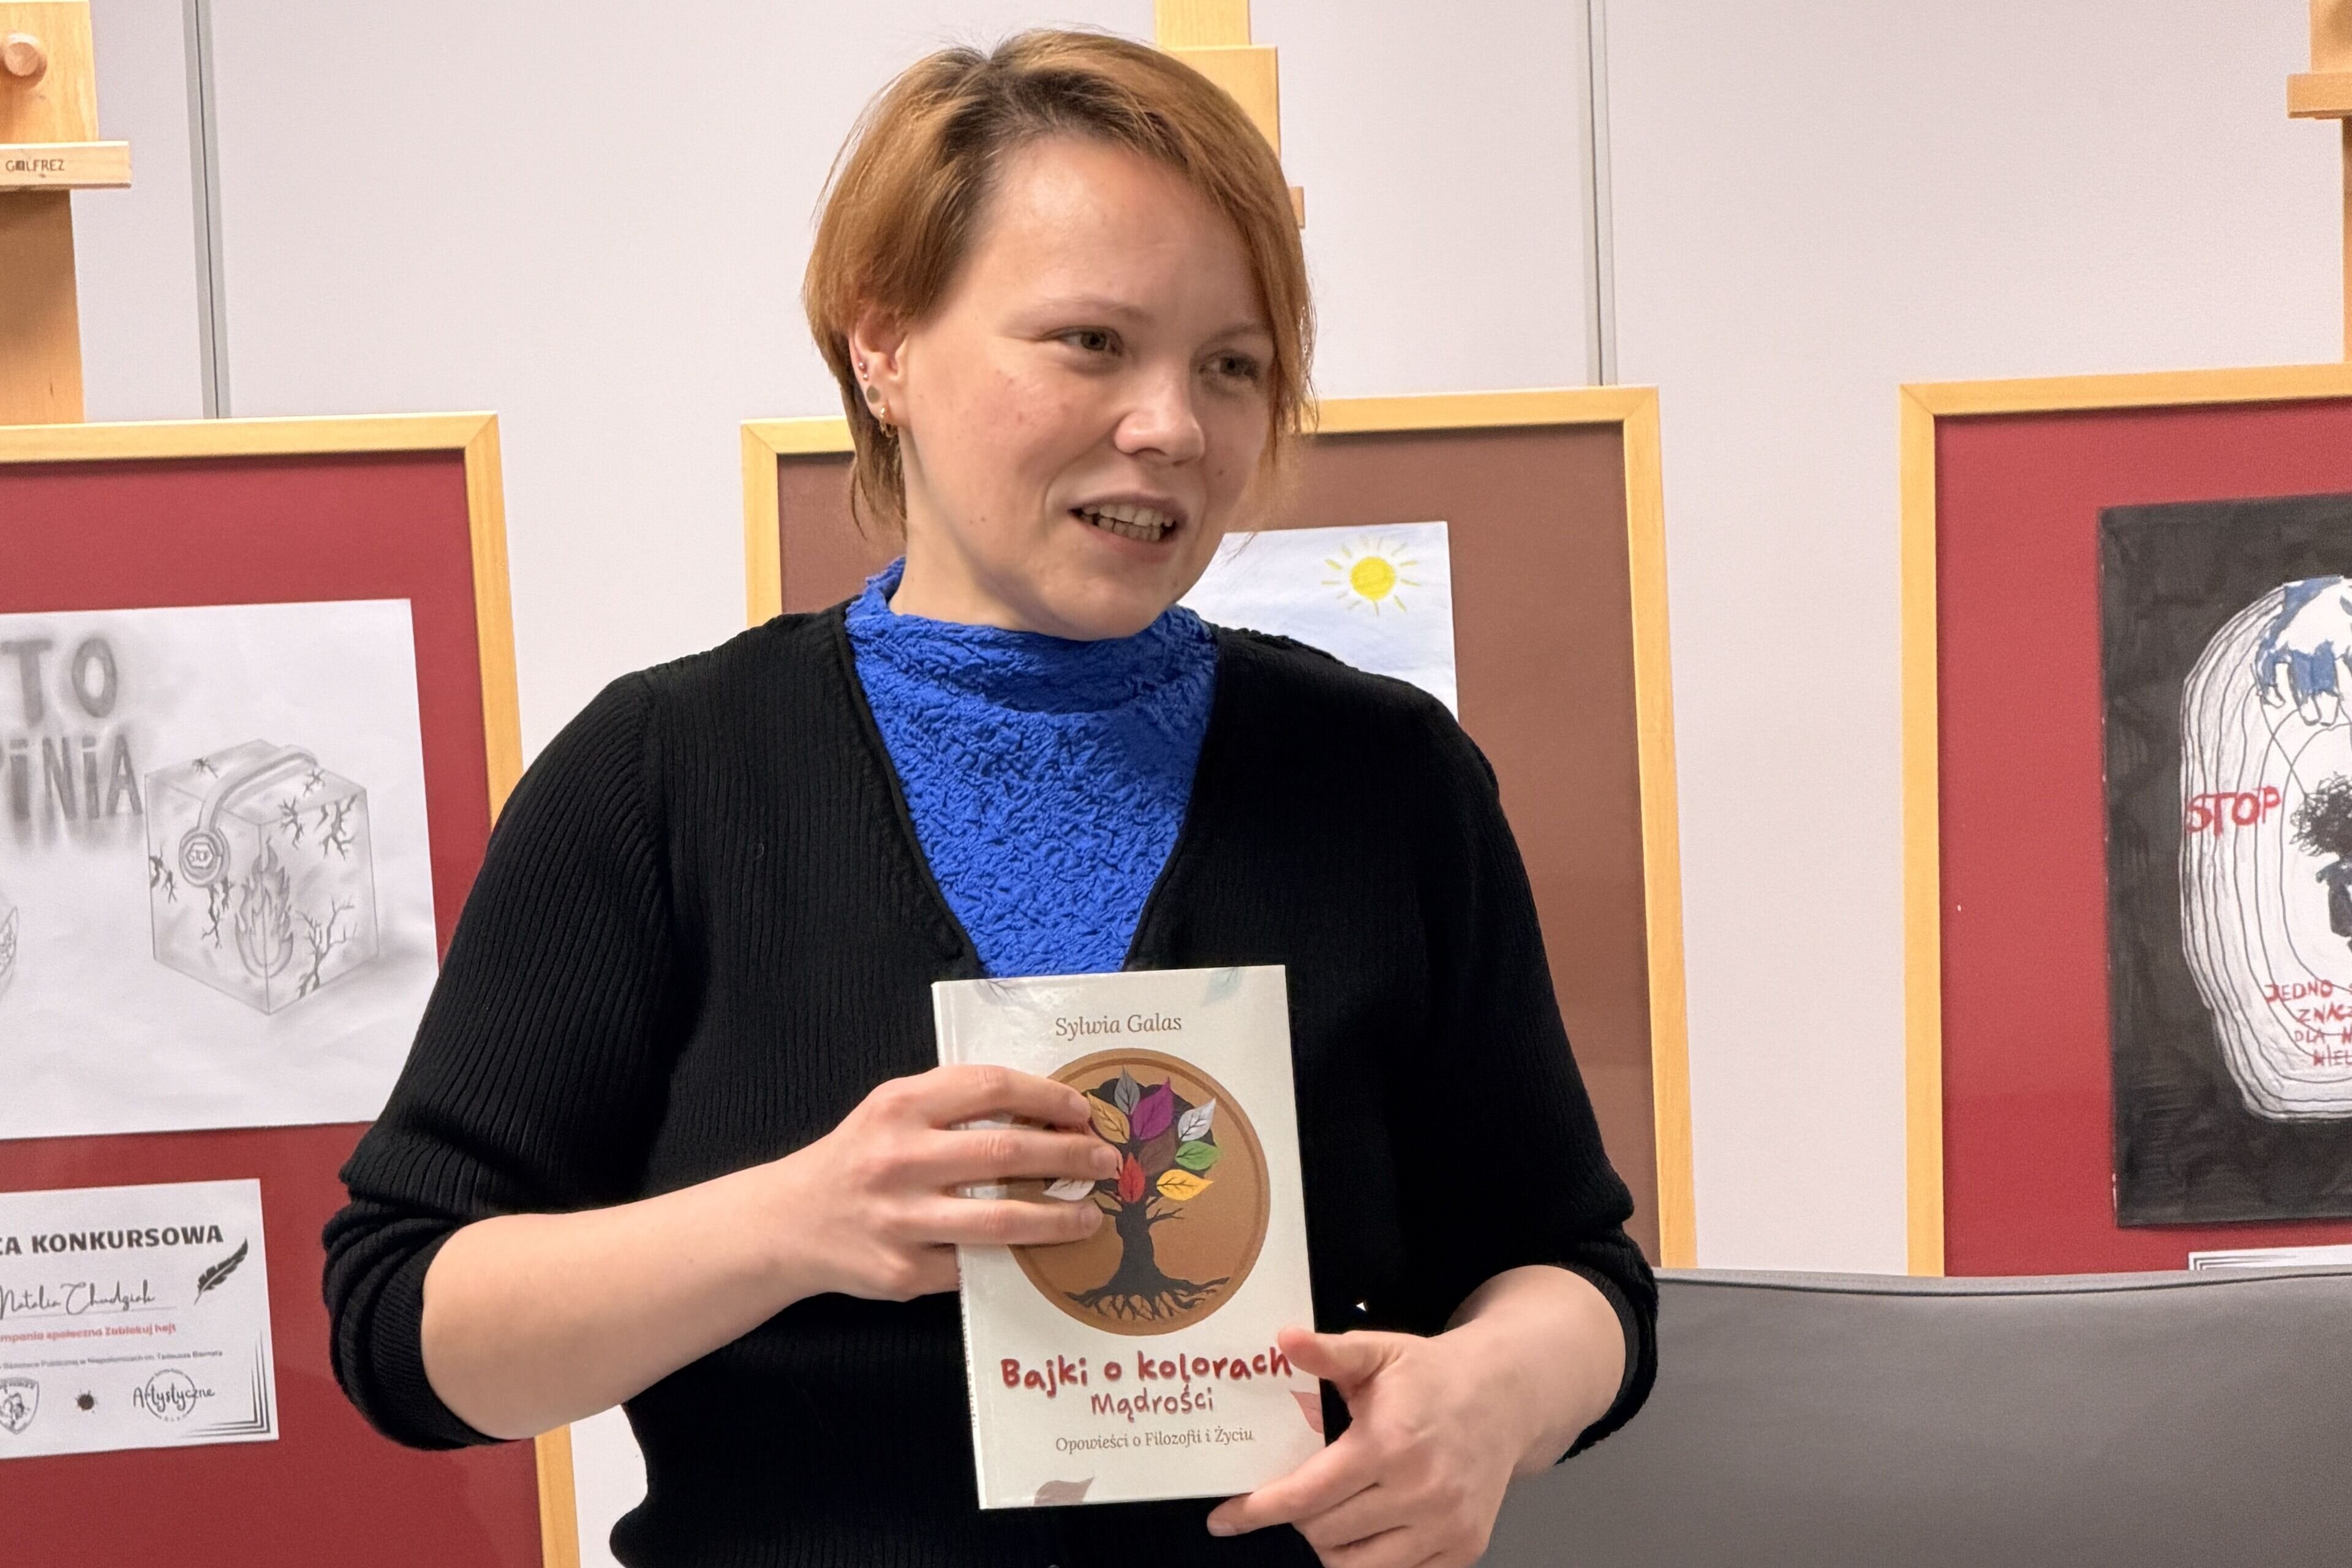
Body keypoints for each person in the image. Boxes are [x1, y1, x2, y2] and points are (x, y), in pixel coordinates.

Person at [324, 29, 1656, 1568]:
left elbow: (1576, 1268)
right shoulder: (665, 772)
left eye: (1232, 366)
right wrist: (794, 1220)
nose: (1173, 426)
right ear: (882, 345)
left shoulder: (1383, 776)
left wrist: (1495, 1394)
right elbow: (403, 1324)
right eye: (1091, 341)